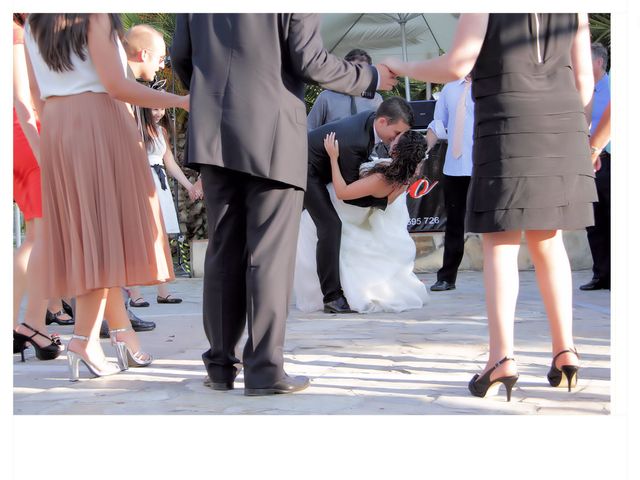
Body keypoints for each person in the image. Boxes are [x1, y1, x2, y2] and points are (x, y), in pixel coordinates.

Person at [171, 13, 396, 396]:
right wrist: (370, 78)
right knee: (268, 256)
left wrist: (213, 96)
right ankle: (263, 369)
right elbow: (310, 61)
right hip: (271, 132)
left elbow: (180, 55)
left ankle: (221, 365)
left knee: (223, 249)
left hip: (213, 131)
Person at [384, 13, 596, 401]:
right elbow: (584, 85)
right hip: (563, 123)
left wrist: (398, 65)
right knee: (549, 240)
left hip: (508, 119)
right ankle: (565, 350)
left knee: (501, 242)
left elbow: (455, 65)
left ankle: (501, 358)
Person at [24, 13, 189, 380]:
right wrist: (180, 100)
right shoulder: (92, 14)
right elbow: (117, 85)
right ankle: (83, 339)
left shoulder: (33, 23)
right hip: (97, 120)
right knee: (101, 235)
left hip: (57, 125)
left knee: (92, 236)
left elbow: (37, 97)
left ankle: (122, 335)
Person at [295, 129, 429, 313]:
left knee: (312, 231)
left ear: (398, 149)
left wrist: (333, 158)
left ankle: (329, 293)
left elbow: (342, 192)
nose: (393, 137)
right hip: (357, 210)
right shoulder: (403, 175)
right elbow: (388, 201)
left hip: (344, 207)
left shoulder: (382, 178)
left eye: (397, 137)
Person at [12, 13, 63, 361]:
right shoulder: (15, 34)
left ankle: (29, 326)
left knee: (38, 235)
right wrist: (43, 152)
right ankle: (29, 325)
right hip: (26, 136)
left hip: (19, 137)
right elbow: (22, 98)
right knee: (45, 236)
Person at [128, 98, 203, 307]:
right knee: (138, 238)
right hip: (140, 183)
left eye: (161, 108)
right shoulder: (134, 130)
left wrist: (189, 187)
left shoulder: (161, 132)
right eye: (154, 108)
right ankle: (135, 294)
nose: (158, 113)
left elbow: (170, 163)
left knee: (160, 238)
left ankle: (163, 291)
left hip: (159, 185)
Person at [425, 75, 474, 292]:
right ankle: (446, 277)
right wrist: (421, 152)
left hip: (485, 165)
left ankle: (503, 277)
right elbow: (437, 125)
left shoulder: (493, 82)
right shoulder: (450, 88)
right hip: (455, 166)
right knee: (454, 224)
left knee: (497, 223)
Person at [580, 43, 611, 291]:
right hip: (586, 162)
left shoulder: (614, 89)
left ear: (599, 62)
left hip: (610, 160)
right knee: (594, 220)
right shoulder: (581, 91)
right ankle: (601, 274)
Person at [307, 48, 384, 130]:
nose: (359, 76)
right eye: (355, 70)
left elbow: (381, 133)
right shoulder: (326, 97)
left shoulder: (376, 100)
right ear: (344, 70)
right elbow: (309, 129)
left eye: (363, 72)